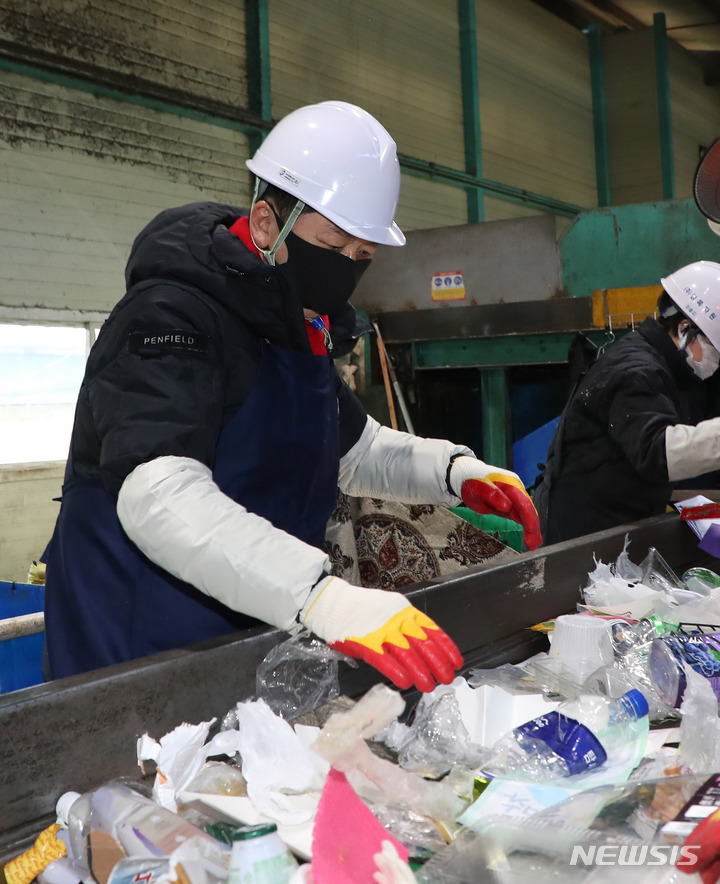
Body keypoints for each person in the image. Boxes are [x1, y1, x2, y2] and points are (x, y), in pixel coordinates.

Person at [43, 100, 541, 691]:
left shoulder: (297, 323)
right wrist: (320, 595)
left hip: (250, 624)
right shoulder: (168, 317)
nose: (346, 273)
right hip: (137, 644)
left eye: (362, 257)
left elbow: (353, 450)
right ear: (262, 224)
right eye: (333, 249)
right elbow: (159, 496)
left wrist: (455, 472)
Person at [538, 260, 720, 545]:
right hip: (584, 540)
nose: (716, 363)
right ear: (685, 329)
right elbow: (657, 453)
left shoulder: (668, 369)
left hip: (618, 525)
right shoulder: (636, 370)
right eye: (715, 350)